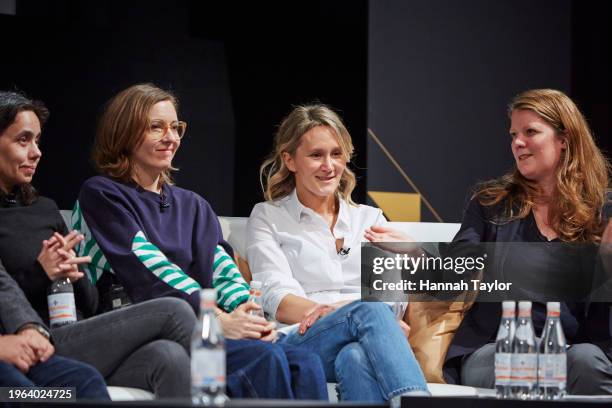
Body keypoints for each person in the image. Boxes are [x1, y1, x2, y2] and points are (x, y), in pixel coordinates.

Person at [75, 83, 327, 400]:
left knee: (307, 362)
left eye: (175, 127)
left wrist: (246, 316)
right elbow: (148, 269)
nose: (171, 137)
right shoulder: (102, 193)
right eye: (156, 127)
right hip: (144, 329)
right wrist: (223, 319)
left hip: (206, 325)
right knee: (270, 356)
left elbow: (222, 271)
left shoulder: (192, 204)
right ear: (124, 131)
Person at [0, 90, 198, 398]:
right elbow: (5, 290)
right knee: (174, 311)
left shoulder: (45, 208)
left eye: (38, 141)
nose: (37, 152)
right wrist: (42, 273)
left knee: (167, 358)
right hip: (33, 340)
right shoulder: (101, 193)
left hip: (73, 332)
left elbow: (90, 305)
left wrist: (73, 276)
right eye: (23, 140)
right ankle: (238, 364)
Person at [423, 89, 611, 393]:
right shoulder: (490, 203)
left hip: (572, 349)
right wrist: (412, 252)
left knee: (589, 362)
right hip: (495, 346)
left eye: (530, 132)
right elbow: (456, 271)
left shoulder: (601, 212)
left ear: (564, 140)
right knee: (517, 360)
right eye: (514, 134)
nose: (517, 143)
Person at [245, 104, 428, 402]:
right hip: (301, 340)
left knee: (354, 356)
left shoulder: (369, 219)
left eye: (336, 154)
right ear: (290, 160)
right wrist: (349, 313)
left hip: (362, 338)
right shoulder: (268, 217)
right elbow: (276, 298)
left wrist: (351, 312)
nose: (329, 166)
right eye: (316, 155)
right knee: (368, 309)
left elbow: (392, 297)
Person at [0, 259, 109, 399]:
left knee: (83, 381)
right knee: (19, 392)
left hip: (26, 348)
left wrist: (30, 327)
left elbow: (3, 286)